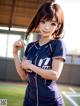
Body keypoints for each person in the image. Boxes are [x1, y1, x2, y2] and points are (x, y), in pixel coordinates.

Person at [13, 1, 66, 106]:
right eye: (43, 21)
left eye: (53, 23)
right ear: (38, 21)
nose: (47, 27)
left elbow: (55, 75)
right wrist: (15, 54)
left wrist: (30, 66)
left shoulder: (58, 44)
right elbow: (24, 76)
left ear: (58, 26)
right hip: (29, 101)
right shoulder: (31, 46)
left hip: (51, 102)